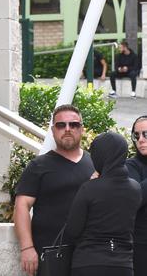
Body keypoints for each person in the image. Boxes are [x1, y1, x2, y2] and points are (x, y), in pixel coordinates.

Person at [13, 104, 95, 276]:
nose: (67, 129)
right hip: (50, 255)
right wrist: (27, 247)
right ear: (53, 130)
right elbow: (21, 206)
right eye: (61, 125)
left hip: (89, 254)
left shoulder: (95, 163)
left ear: (82, 129)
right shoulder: (38, 166)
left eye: (73, 125)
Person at [65, 132, 141, 276]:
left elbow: (73, 230)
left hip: (88, 262)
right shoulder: (135, 189)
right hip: (123, 265)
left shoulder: (89, 188)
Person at [126, 115, 147, 275]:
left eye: (146, 134)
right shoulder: (130, 165)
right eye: (136, 135)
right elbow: (135, 198)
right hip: (141, 245)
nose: (140, 139)